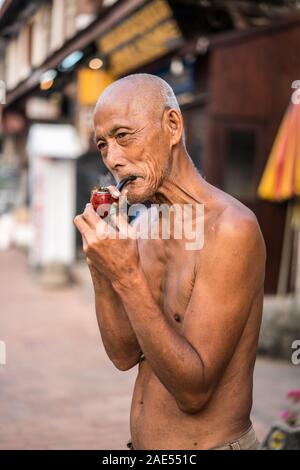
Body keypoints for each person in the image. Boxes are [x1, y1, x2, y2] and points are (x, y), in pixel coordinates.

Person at [74, 74, 266, 450]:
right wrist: (101, 267)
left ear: (173, 126)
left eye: (123, 136)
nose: (113, 158)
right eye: (102, 145)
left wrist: (128, 275)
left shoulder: (230, 229)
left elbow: (194, 392)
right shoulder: (147, 224)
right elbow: (124, 355)